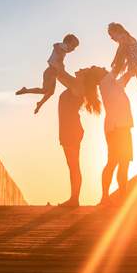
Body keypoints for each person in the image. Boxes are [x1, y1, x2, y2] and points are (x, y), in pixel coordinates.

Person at [54, 65, 104, 206]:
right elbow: (60, 74)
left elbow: (60, 73)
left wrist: (58, 59)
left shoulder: (77, 84)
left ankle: (74, 199)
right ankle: (74, 198)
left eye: (83, 70)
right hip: (69, 129)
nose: (80, 68)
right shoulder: (77, 85)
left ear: (85, 76)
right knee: (73, 166)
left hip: (70, 129)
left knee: (74, 166)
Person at [93, 67, 135, 205]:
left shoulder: (114, 84)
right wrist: (124, 46)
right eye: (98, 68)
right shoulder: (105, 82)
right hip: (117, 129)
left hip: (122, 128)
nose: (102, 67)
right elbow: (118, 65)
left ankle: (121, 199)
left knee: (123, 164)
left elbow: (127, 74)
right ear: (99, 75)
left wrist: (132, 66)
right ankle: (105, 197)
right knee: (114, 162)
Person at [16, 34, 80, 114]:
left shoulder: (64, 49)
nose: (73, 49)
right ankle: (26, 90)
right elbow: (56, 45)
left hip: (53, 72)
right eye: (73, 46)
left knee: (49, 92)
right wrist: (60, 55)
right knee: (45, 90)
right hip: (50, 71)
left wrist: (61, 62)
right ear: (67, 42)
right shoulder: (63, 46)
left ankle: (39, 103)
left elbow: (57, 48)